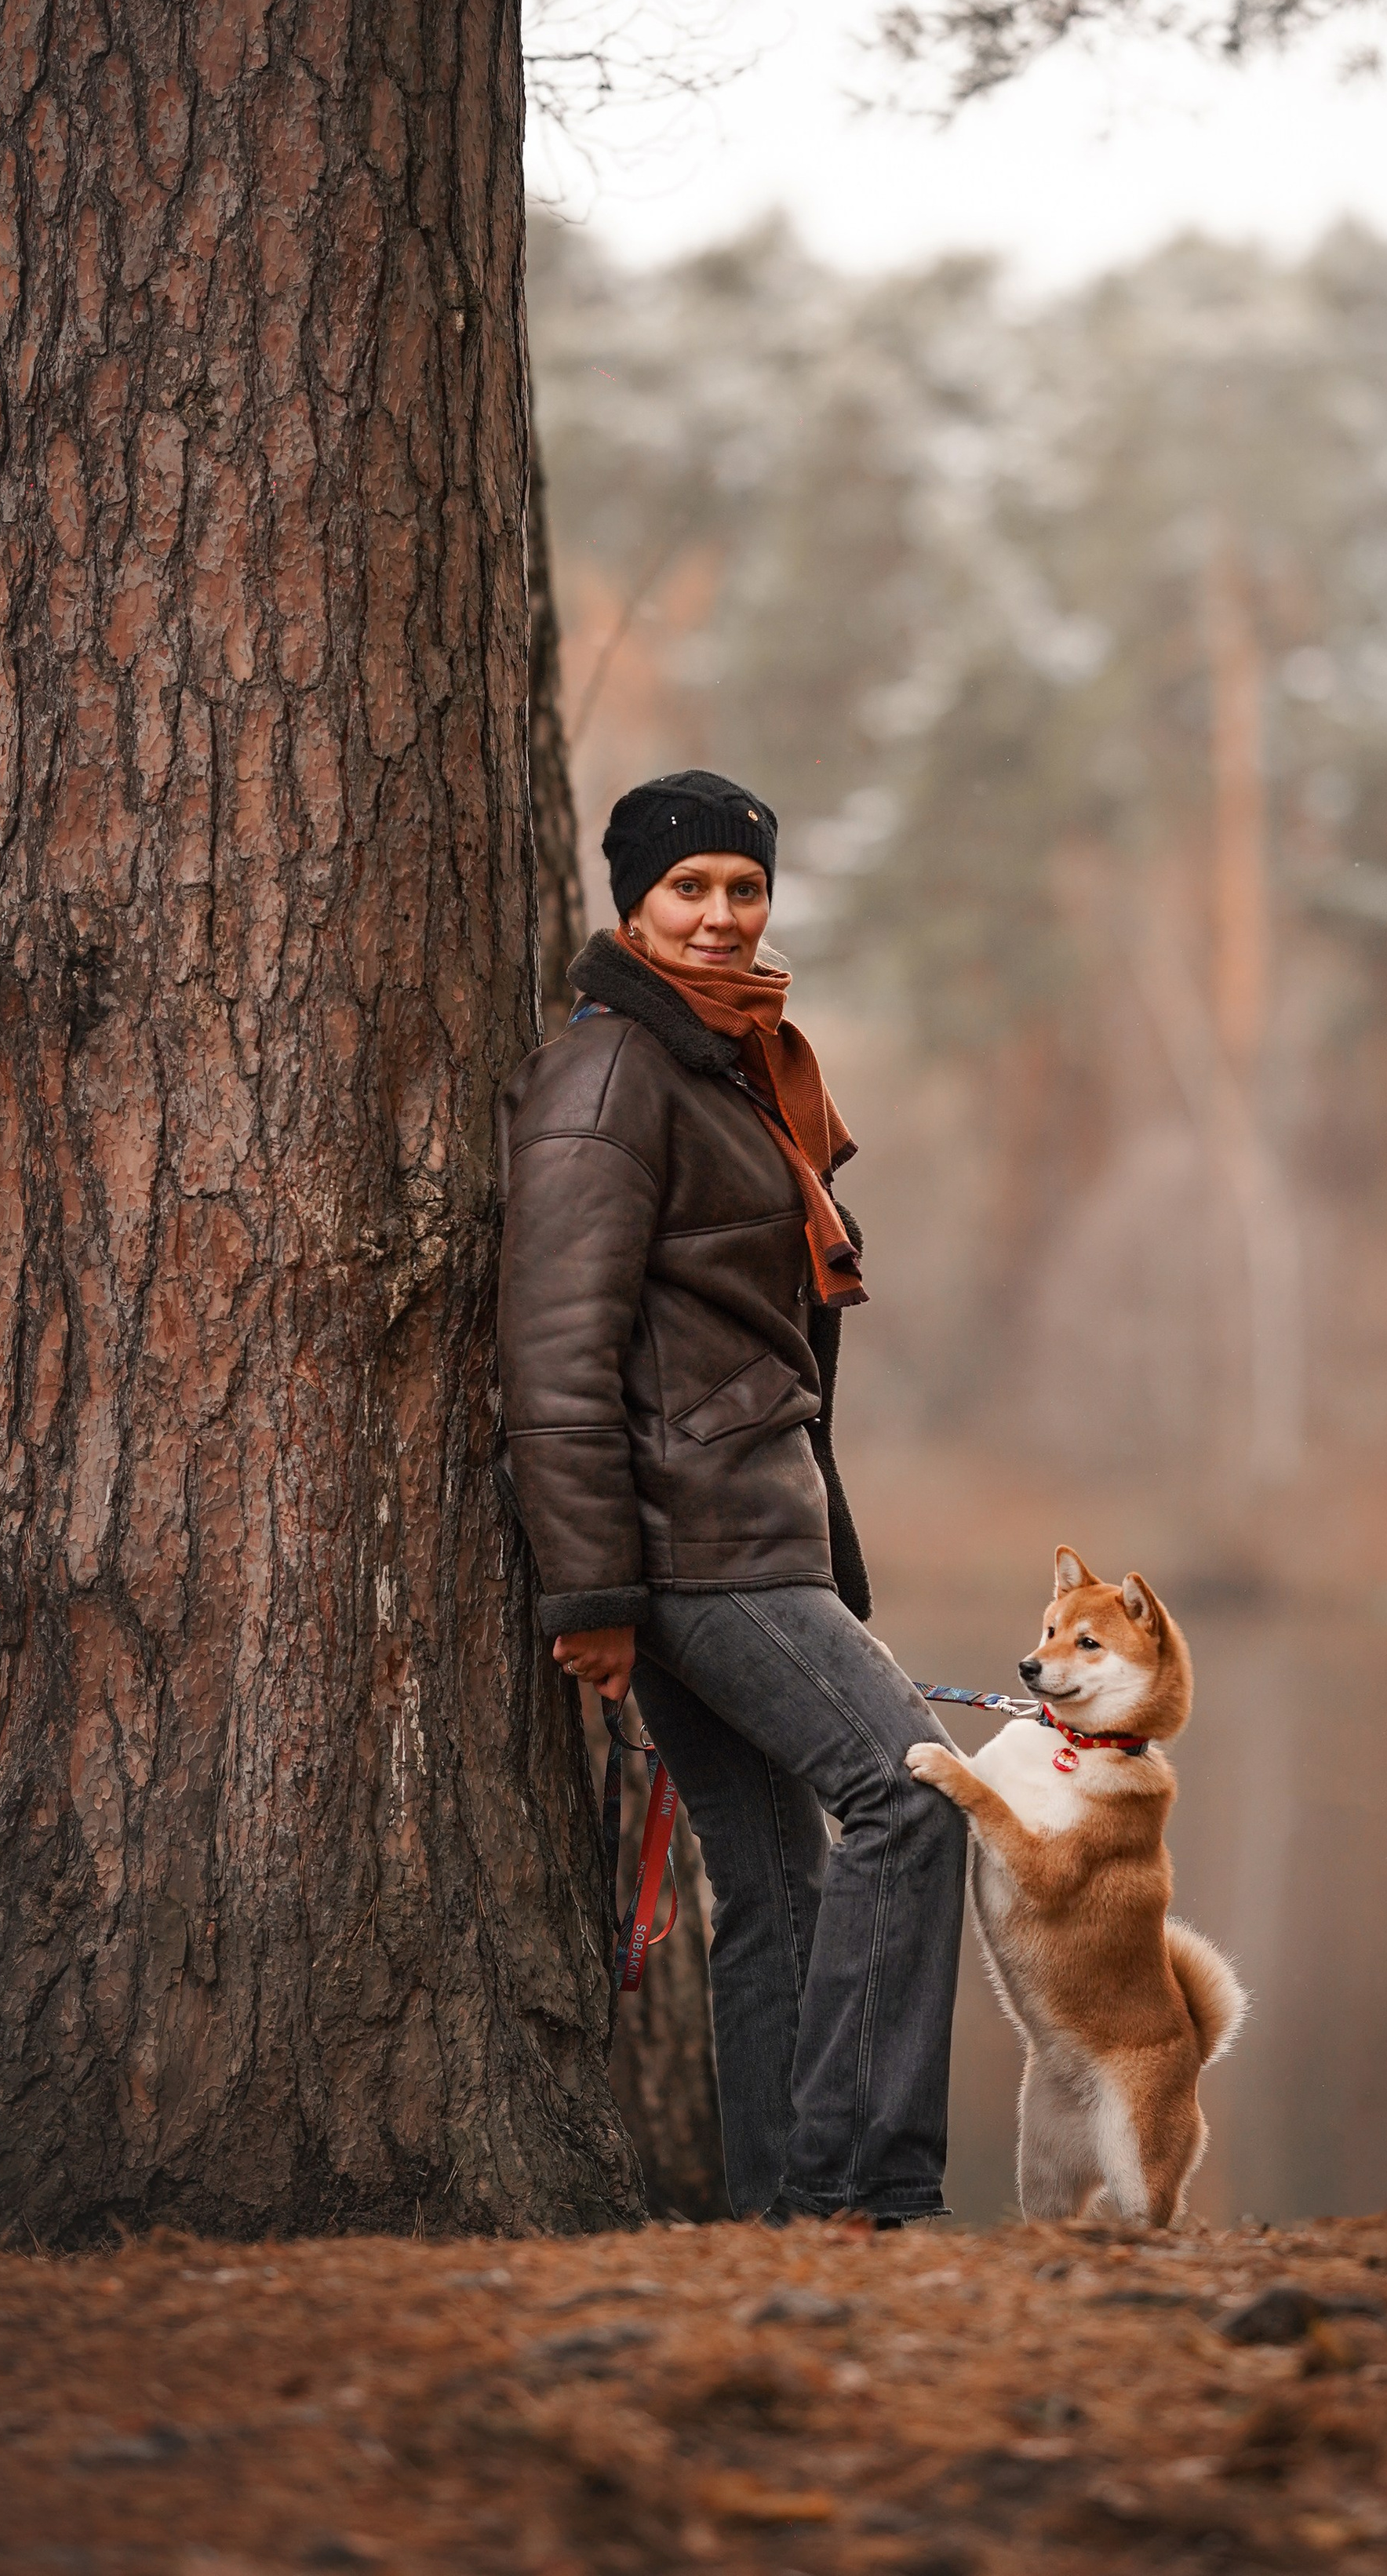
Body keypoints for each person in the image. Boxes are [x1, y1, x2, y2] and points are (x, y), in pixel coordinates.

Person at [497, 767, 967, 2223]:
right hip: (696, 1542)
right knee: (915, 1798)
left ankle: (780, 2220)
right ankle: (856, 2193)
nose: (720, 915)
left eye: (745, 888)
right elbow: (555, 1352)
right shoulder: (612, 1078)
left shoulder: (732, 1067)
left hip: (746, 1526)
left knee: (779, 1888)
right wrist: (591, 1593)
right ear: (633, 901)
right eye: (688, 887)